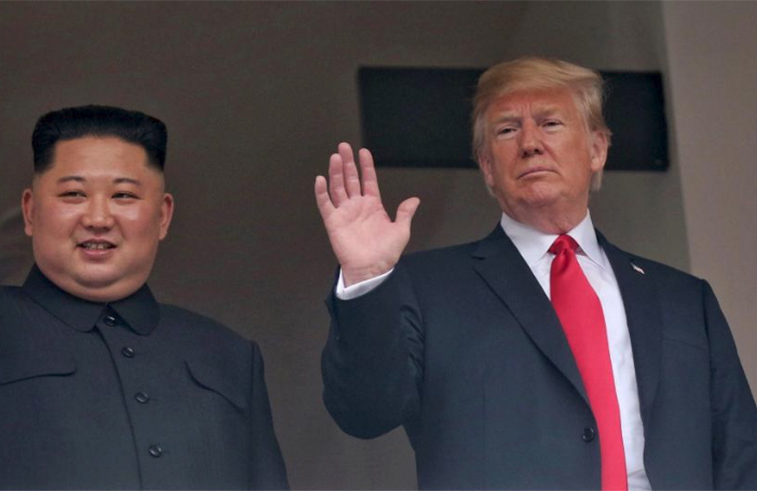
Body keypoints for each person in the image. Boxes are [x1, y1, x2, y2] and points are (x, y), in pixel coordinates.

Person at [314, 57, 757, 490]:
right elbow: (364, 413)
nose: (529, 143)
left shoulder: (684, 299)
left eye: (550, 123)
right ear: (488, 166)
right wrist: (368, 278)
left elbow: (740, 456)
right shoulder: (427, 288)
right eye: (507, 130)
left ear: (597, 149)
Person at [0, 105, 288, 489]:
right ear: (30, 211)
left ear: (163, 216)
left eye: (124, 196)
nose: (97, 218)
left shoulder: (229, 356)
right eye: (73, 194)